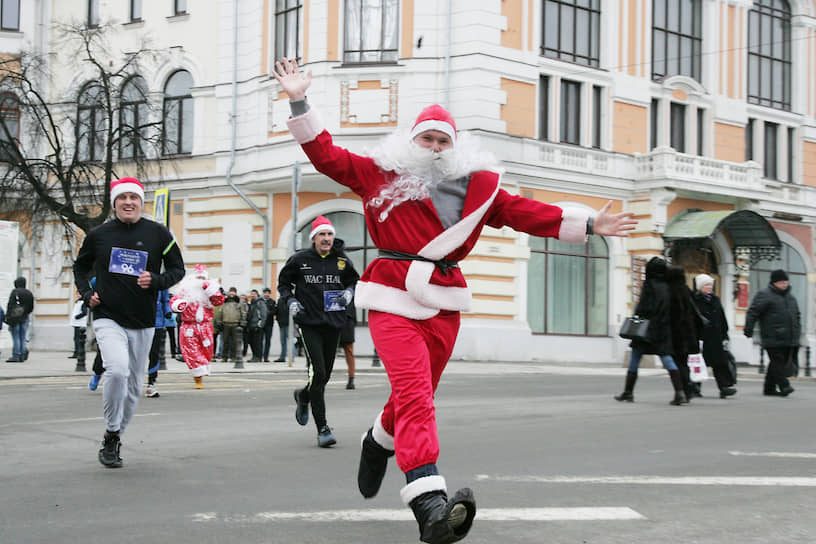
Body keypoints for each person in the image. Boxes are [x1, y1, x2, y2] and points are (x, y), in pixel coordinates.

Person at [273, 57, 637, 544]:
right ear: (412, 141)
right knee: (417, 395)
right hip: (393, 295)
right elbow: (325, 154)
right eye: (428, 138)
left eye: (444, 141)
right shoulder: (379, 174)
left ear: (456, 147)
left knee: (414, 394)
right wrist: (298, 98)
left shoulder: (478, 189)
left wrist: (591, 224)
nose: (436, 147)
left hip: (444, 302)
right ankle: (429, 503)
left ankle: (377, 441)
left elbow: (527, 212)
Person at [73, 177, 185, 468]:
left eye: (133, 198)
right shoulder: (98, 235)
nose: (128, 202)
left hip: (144, 319)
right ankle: (111, 434)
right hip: (108, 315)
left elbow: (177, 269)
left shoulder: (158, 233)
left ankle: (116, 434)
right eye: (122, 198)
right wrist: (87, 294)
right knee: (118, 371)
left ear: (141, 202)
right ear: (114, 203)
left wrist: (157, 281)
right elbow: (80, 267)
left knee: (135, 386)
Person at [278, 215, 360, 448]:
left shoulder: (342, 260)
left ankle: (303, 396)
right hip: (309, 323)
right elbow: (284, 284)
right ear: (314, 238)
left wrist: (348, 294)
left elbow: (354, 281)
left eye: (329, 235)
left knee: (324, 375)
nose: (326, 239)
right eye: (322, 235)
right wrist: (291, 301)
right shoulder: (300, 260)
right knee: (318, 373)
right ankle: (322, 428)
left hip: (333, 322)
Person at [615, 257, 687, 406]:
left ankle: (628, 392)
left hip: (646, 329)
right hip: (663, 328)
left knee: (635, 357)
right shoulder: (668, 286)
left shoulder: (649, 285)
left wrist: (638, 314)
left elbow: (644, 308)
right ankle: (680, 393)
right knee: (667, 359)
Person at [744, 269, 800, 397]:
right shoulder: (765, 295)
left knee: (777, 363)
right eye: (781, 282)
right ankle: (784, 385)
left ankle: (769, 388)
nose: (784, 284)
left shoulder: (790, 297)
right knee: (777, 361)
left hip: (789, 337)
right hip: (772, 335)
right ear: (774, 283)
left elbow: (796, 315)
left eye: (785, 281)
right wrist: (749, 329)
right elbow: (753, 312)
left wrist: (797, 331)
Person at [170, 264, 225, 388]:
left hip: (206, 326)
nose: (200, 281)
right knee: (192, 352)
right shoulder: (186, 290)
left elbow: (219, 301)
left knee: (207, 351)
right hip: (189, 327)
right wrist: (179, 305)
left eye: (202, 278)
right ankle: (198, 378)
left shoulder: (210, 291)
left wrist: (210, 290)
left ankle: (201, 370)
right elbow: (174, 301)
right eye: (198, 278)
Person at [692, 274, 737, 399]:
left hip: (716, 337)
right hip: (701, 337)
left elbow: (722, 318)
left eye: (710, 285)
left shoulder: (715, 300)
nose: (709, 287)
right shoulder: (695, 300)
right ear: (700, 287)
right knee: (698, 364)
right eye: (706, 285)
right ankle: (694, 387)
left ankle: (724, 387)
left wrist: (725, 335)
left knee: (720, 364)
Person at [665, 265, 705, 403]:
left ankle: (683, 391)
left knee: (676, 363)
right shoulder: (686, 291)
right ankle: (688, 390)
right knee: (683, 363)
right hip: (688, 332)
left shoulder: (669, 291)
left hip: (675, 333)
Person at [145, 289, 171, 398]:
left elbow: (165, 300)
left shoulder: (161, 282)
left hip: (157, 324)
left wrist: (167, 311)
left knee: (154, 354)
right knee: (134, 355)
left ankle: (151, 383)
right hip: (139, 323)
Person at [214, 287, 247, 365]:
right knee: (225, 342)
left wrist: (242, 323)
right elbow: (220, 312)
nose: (232, 293)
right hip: (225, 324)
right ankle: (224, 357)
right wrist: (219, 322)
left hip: (236, 324)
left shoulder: (239, 302)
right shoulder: (224, 302)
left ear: (235, 293)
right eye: (230, 292)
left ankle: (234, 357)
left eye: (233, 292)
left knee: (235, 342)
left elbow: (243, 313)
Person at [5, 276, 34, 362]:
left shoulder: (15, 292)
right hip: (25, 317)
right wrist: (25, 313)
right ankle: (22, 354)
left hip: (15, 318)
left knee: (16, 336)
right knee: (22, 336)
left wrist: (8, 316)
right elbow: (31, 307)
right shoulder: (29, 293)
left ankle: (16, 355)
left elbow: (10, 305)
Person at [246, 289, 268, 362]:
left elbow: (263, 315)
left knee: (257, 343)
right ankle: (254, 356)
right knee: (251, 342)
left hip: (257, 326)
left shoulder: (260, 302)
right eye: (251, 294)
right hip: (251, 325)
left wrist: (260, 325)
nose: (252, 295)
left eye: (254, 294)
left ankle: (258, 357)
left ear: (257, 294)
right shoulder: (251, 303)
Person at [69, 293, 89, 372]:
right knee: (75, 338)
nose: (77, 295)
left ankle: (78, 353)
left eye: (79, 294)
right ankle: (76, 352)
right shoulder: (78, 302)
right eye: (77, 293)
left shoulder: (83, 302)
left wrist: (77, 317)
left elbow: (84, 312)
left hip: (80, 323)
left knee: (79, 339)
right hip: (76, 323)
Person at [340, 301, 356, 390]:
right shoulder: (351, 289)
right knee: (349, 352)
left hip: (340, 319)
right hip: (348, 320)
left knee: (328, 350)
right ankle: (351, 379)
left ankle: (351, 379)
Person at [261, 287, 277, 362]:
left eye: (268, 293)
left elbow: (274, 311)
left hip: (269, 323)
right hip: (261, 323)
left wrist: (267, 313)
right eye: (265, 293)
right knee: (260, 340)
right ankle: (259, 355)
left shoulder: (272, 302)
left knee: (268, 340)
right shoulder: (260, 301)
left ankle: (266, 356)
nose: (266, 294)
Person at [273, 294, 289, 362]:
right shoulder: (281, 300)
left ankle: (286, 357)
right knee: (286, 341)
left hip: (286, 323)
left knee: (286, 341)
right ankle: (284, 356)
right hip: (283, 323)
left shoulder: (286, 300)